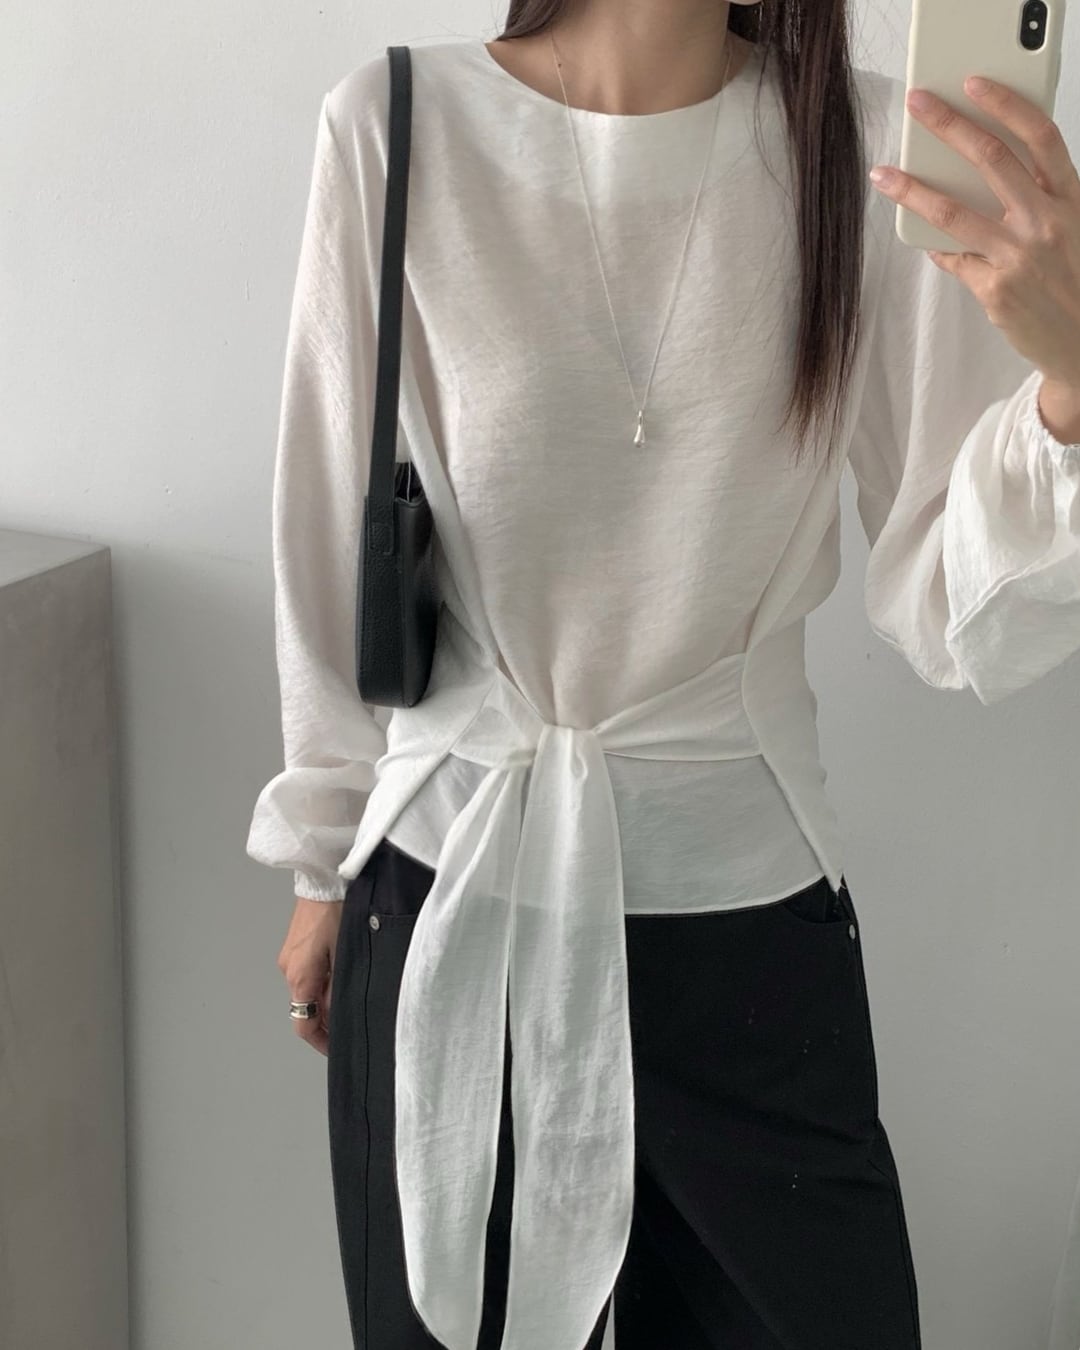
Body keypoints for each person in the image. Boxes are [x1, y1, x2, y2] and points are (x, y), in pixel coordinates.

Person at [246, 2, 1080, 1347]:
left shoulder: (873, 150)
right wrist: (319, 852)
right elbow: (323, 517)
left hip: (749, 930)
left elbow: (952, 608)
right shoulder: (400, 124)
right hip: (450, 889)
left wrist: (1071, 388)